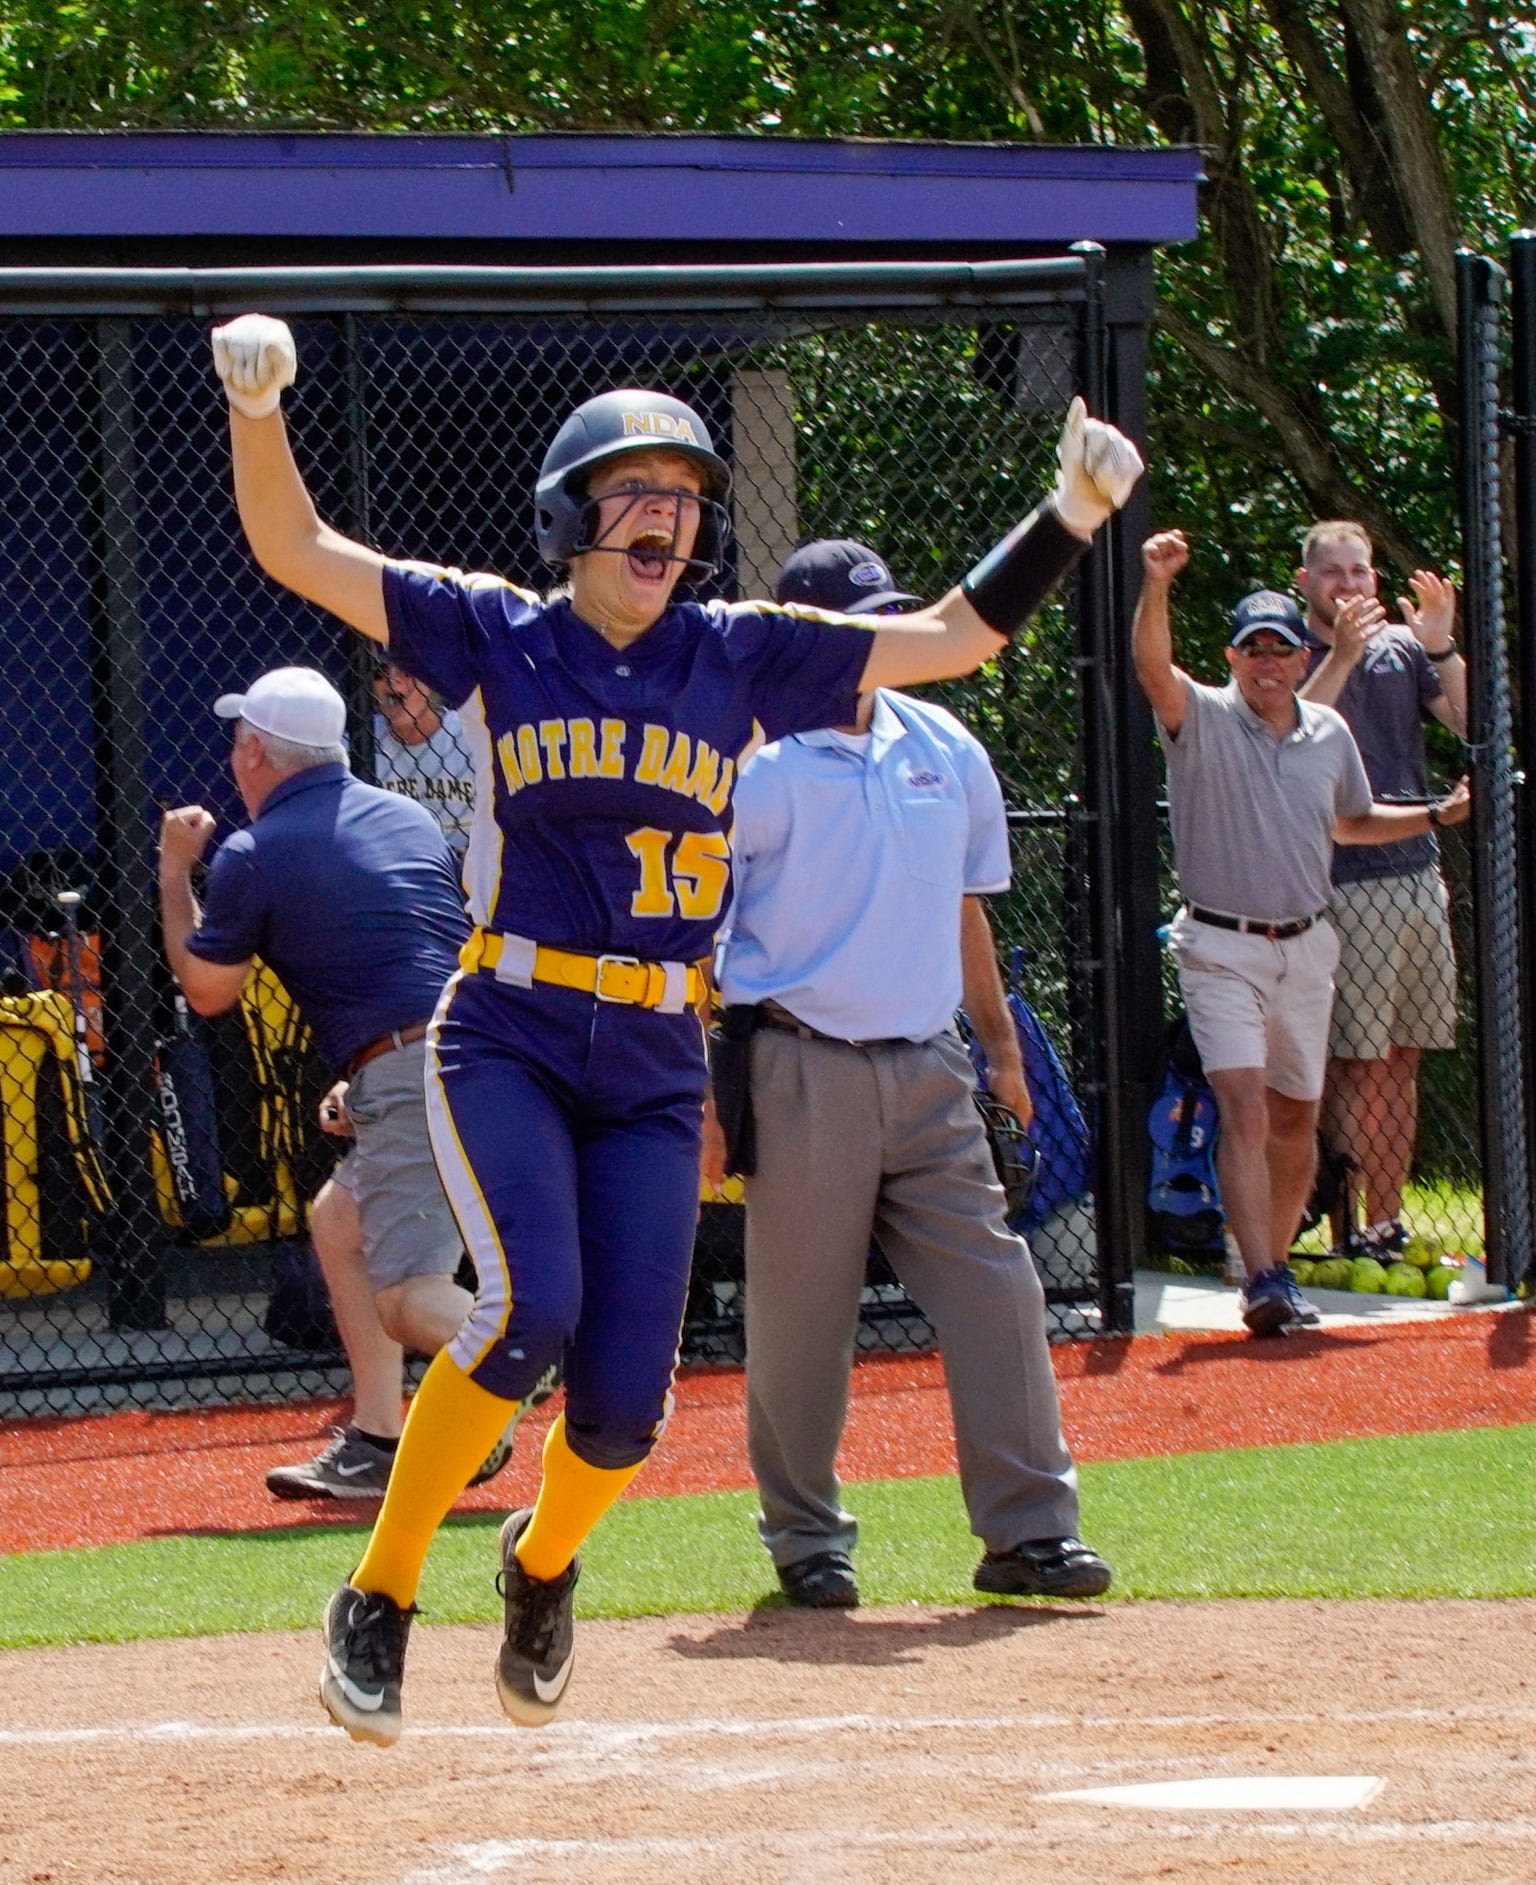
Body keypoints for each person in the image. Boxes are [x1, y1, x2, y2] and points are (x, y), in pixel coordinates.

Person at [209, 308, 1141, 1747]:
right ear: (571, 517)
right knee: (528, 1317)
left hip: (652, 1056)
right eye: (635, 492)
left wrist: (1070, 511)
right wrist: (257, 407)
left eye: (686, 497)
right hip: (510, 1025)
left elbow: (951, 638)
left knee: (631, 1407)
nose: (666, 515)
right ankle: (381, 1596)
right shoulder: (502, 631)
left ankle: (540, 1567)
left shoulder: (739, 652)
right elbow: (295, 549)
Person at [709, 538, 1111, 1610]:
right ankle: (805, 1537)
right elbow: (696, 929)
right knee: (802, 1318)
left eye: (887, 615)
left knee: (998, 1288)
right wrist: (707, 1092)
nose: (878, 637)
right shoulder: (751, 765)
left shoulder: (943, 742)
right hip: (799, 1061)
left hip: (932, 1064)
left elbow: (966, 907)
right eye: (853, 623)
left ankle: (1028, 1528)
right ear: (797, 633)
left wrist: (1006, 1049)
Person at [157, 665, 517, 1500]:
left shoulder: (251, 851)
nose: (233, 755)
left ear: (254, 752)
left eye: (238, 741)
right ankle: (381, 1438)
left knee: (408, 1298)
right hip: (478, 1046)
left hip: (416, 1063)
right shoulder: (405, 816)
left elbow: (209, 993)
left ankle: (525, 1363)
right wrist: (367, 1077)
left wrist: (176, 872)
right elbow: (411, 952)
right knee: (338, 1221)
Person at [1132, 533, 1469, 1338]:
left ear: (1296, 655)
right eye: (1253, 650)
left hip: (1307, 944)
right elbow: (1152, 669)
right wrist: (1156, 585)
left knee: (1294, 1118)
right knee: (1243, 1108)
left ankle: (1266, 1265)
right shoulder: (1203, 717)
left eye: (1280, 649)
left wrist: (1434, 814)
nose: (1268, 664)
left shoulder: (1325, 732)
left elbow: (1350, 822)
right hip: (1221, 946)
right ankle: (1267, 1280)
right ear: (1234, 658)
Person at [1295, 521, 1466, 1255]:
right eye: (1333, 574)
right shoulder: (1287, 649)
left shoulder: (1403, 648)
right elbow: (1297, 733)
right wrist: (1345, 652)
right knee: (1354, 1061)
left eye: (1360, 572)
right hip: (1343, 883)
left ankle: (1386, 1226)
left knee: (1404, 1058)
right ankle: (1343, 1230)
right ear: (1307, 584)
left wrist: (1442, 644)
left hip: (1417, 875)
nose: (1350, 586)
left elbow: (1466, 723)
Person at [371, 662, 477, 856]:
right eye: (381, 672)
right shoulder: (359, 740)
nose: (394, 683)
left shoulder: (471, 735)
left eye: (407, 671)